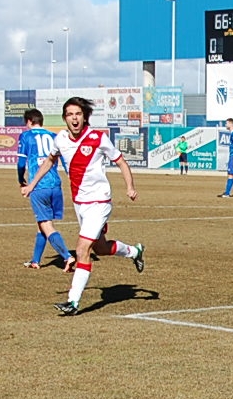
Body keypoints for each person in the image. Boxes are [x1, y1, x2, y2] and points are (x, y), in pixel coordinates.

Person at [21, 97, 144, 316]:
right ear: (64, 119)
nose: (74, 118)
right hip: (80, 203)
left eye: (78, 114)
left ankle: (73, 302)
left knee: (81, 249)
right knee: (100, 248)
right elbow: (50, 161)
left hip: (100, 201)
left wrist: (130, 187)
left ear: (84, 116)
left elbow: (121, 162)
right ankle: (134, 251)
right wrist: (31, 184)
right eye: (70, 115)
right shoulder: (60, 139)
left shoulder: (98, 138)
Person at [15, 109, 74, 271]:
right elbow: (65, 161)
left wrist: (22, 181)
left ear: (28, 121)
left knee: (46, 224)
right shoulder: (53, 136)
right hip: (55, 184)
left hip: (39, 185)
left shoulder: (26, 136)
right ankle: (35, 260)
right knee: (42, 224)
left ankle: (67, 256)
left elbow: (21, 163)